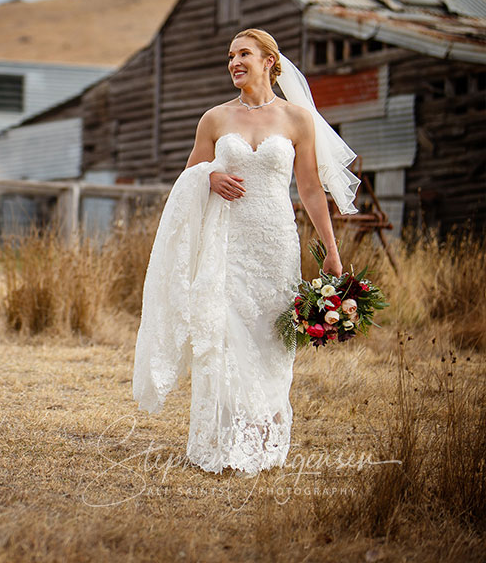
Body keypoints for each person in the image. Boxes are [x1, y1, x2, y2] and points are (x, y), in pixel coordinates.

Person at [131, 28, 360, 476]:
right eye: (230, 56)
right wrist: (209, 178)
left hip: (275, 242)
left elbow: (311, 189)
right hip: (227, 243)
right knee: (224, 336)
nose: (234, 62)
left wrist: (331, 249)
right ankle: (223, 442)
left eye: (244, 54)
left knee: (272, 340)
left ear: (270, 62)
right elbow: (189, 177)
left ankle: (262, 440)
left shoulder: (297, 119)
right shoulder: (214, 119)